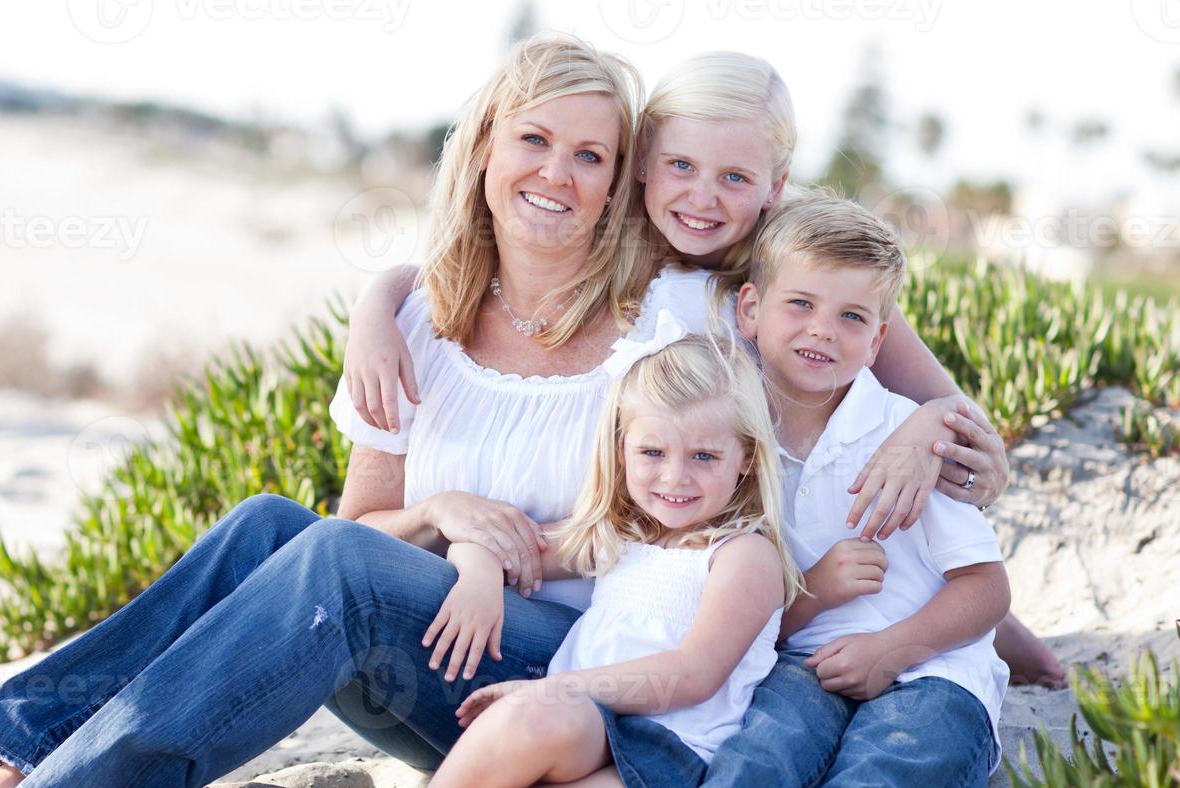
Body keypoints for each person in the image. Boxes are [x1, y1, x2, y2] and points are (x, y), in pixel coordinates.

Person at [0, 33, 700, 788]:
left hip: (557, 681)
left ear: (618, 183)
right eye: (534, 139)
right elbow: (367, 522)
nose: (557, 172)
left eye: (591, 156)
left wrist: (490, 552)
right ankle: (24, 758)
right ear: (484, 147)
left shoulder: (653, 331)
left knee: (339, 563)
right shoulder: (417, 322)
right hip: (427, 660)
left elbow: (674, 533)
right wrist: (442, 510)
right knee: (269, 524)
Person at [341, 51, 1065, 688]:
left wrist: (928, 431)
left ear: (774, 187)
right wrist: (376, 303)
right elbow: (472, 259)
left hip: (765, 526)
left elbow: (948, 417)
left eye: (735, 177)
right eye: (681, 167)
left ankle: (997, 625)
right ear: (644, 164)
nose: (702, 198)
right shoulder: (622, 247)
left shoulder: (800, 268)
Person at [167, 330, 798, 788]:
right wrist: (475, 576)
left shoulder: (743, 556)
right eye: (653, 454)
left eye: (705, 457)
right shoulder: (619, 536)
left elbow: (692, 675)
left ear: (746, 461)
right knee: (538, 720)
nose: (675, 478)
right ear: (623, 450)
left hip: (672, 764)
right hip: (591, 731)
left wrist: (555, 689)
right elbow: (492, 543)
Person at [616, 192, 1011, 788]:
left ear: (878, 341)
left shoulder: (903, 434)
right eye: (800, 304)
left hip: (931, 668)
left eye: (852, 318)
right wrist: (814, 602)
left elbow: (988, 592)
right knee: (763, 756)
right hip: (799, 660)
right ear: (751, 310)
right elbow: (743, 602)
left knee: (896, 771)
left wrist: (894, 648)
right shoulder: (728, 436)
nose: (821, 332)